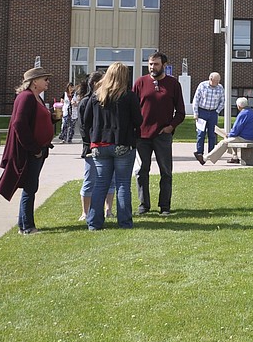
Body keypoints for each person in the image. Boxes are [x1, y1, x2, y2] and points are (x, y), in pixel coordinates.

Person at [0, 67, 57, 235]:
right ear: (34, 81)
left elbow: (36, 120)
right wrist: (33, 148)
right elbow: (19, 124)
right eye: (45, 79)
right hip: (31, 151)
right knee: (30, 188)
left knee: (32, 187)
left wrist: (52, 118)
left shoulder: (36, 98)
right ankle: (27, 227)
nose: (47, 82)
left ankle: (23, 224)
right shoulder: (26, 98)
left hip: (40, 150)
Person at [80, 61, 141, 230]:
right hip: (122, 143)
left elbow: (85, 121)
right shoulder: (128, 96)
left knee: (100, 183)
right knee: (122, 184)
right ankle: (125, 222)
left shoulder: (97, 95)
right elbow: (138, 120)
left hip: (99, 144)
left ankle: (94, 223)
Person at [133, 51, 185, 216]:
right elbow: (132, 108)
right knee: (142, 171)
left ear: (164, 65)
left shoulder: (173, 84)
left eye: (155, 64)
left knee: (166, 172)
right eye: (150, 64)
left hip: (163, 135)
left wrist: (171, 127)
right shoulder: (140, 83)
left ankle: (165, 206)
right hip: (142, 136)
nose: (152, 67)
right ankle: (144, 206)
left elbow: (181, 112)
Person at [76, 71, 110, 222]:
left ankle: (108, 209)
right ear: (95, 84)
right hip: (91, 147)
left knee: (111, 180)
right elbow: (83, 126)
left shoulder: (106, 99)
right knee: (90, 179)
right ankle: (85, 211)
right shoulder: (85, 102)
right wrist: (90, 144)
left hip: (106, 145)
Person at [192, 72, 224, 165]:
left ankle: (211, 154)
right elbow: (196, 99)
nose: (217, 83)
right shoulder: (202, 86)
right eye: (216, 81)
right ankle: (199, 153)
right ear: (210, 79)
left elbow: (222, 101)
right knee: (201, 133)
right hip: (202, 112)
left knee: (212, 134)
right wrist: (196, 113)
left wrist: (217, 111)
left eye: (218, 81)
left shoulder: (220, 88)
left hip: (213, 112)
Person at [222, 97, 253, 163]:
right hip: (252, 137)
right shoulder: (252, 112)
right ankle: (234, 157)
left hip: (245, 138)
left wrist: (229, 134)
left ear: (239, 106)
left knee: (224, 142)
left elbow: (236, 128)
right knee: (233, 138)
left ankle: (206, 158)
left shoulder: (243, 114)